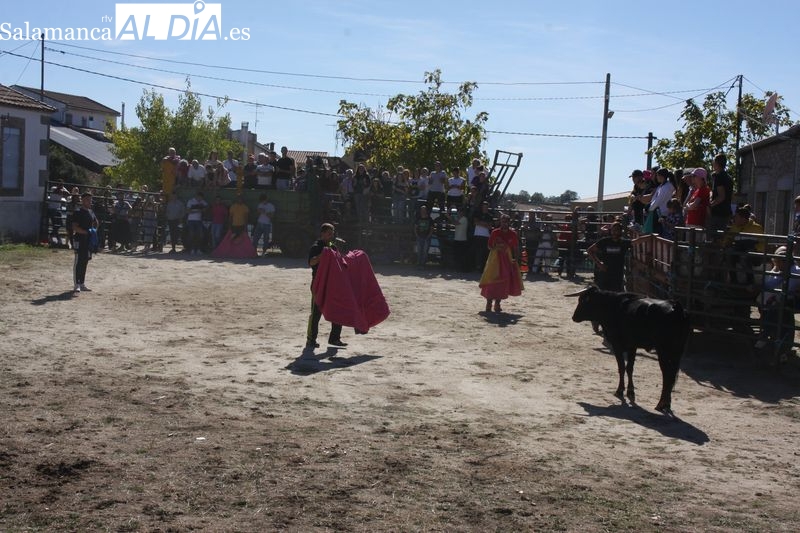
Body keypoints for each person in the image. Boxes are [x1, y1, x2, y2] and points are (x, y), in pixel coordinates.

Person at [306, 223, 346, 349]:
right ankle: (311, 340)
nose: (331, 236)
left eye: (332, 233)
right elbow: (311, 262)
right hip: (318, 284)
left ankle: (335, 338)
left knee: (337, 310)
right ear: (322, 233)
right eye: (329, 233)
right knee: (316, 313)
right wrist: (321, 256)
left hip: (331, 285)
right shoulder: (316, 246)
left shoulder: (333, 247)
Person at [479, 213, 523, 313]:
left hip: (506, 260)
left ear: (508, 223)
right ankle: (489, 302)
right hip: (494, 260)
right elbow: (489, 247)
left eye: (506, 222)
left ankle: (497, 303)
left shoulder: (513, 234)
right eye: (503, 221)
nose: (504, 223)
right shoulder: (495, 232)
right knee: (491, 279)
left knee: (503, 281)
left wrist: (515, 259)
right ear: (500, 221)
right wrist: (497, 246)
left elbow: (516, 248)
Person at [586, 221, 631, 292]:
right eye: (613, 230)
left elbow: (637, 241)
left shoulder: (623, 242)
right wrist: (599, 264)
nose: (614, 232)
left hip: (617, 273)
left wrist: (650, 236)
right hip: (605, 271)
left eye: (617, 230)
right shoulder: (605, 241)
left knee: (616, 294)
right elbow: (589, 250)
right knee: (603, 293)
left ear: (620, 231)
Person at [71, 191, 99, 293]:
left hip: (88, 240)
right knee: (78, 260)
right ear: (82, 200)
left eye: (90, 199)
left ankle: (82, 283)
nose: (89, 201)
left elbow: (96, 222)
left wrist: (94, 231)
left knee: (85, 260)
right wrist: (86, 232)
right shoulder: (78, 211)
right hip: (80, 239)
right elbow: (74, 227)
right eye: (87, 199)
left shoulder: (91, 212)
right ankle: (76, 284)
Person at [708, 153, 734, 235]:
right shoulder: (729, 177)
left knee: (713, 239)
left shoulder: (718, 177)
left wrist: (710, 205)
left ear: (716, 163)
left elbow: (721, 196)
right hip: (726, 212)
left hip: (718, 213)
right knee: (722, 238)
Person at [186, 191, 208, 255]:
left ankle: (198, 249)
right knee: (192, 235)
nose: (201, 199)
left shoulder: (202, 202)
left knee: (200, 235)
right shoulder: (190, 201)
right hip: (191, 220)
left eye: (201, 198)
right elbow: (187, 211)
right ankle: (192, 249)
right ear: (197, 196)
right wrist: (198, 211)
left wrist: (204, 209)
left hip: (199, 220)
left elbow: (207, 206)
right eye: (200, 198)